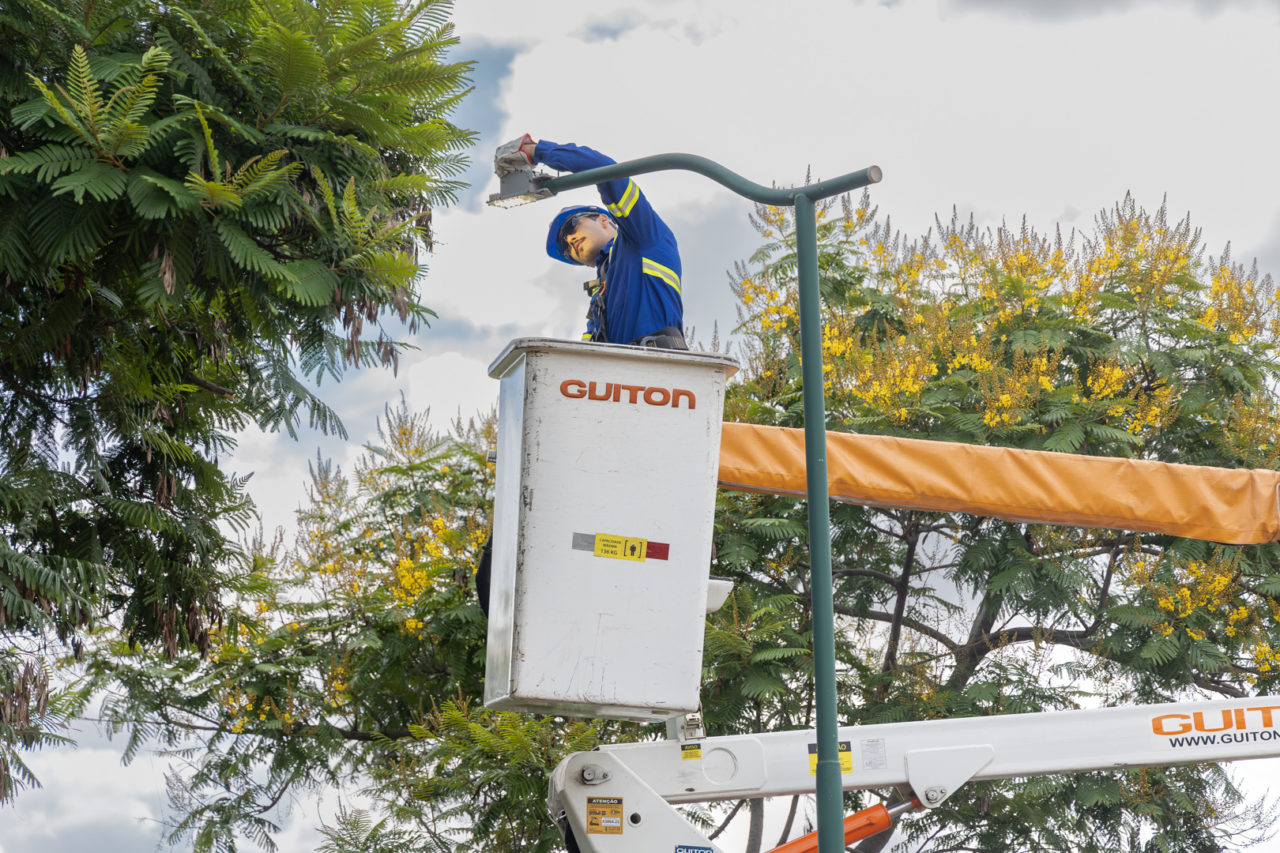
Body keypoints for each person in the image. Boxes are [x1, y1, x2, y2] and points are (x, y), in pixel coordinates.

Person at [512, 135, 687, 350]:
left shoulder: (644, 237)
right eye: (566, 248)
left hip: (660, 368)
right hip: (622, 376)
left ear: (604, 220)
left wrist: (536, 151)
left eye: (571, 226)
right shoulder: (601, 297)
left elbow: (605, 170)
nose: (569, 239)